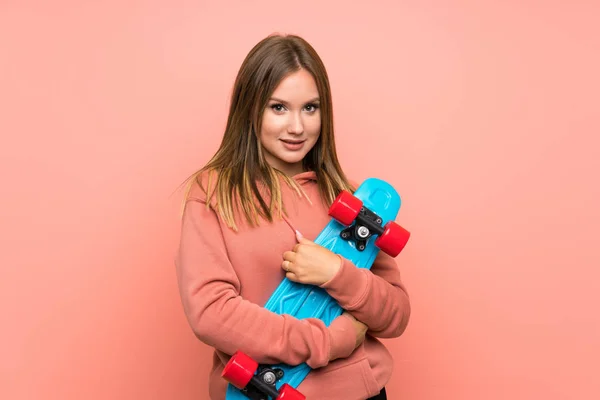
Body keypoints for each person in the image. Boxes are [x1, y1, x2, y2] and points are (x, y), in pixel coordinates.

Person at [175, 33, 411, 400]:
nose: (298, 127)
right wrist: (329, 341)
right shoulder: (213, 193)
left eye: (310, 108)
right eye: (279, 107)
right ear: (250, 109)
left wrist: (337, 274)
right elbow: (212, 312)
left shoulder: (349, 196)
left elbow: (395, 314)